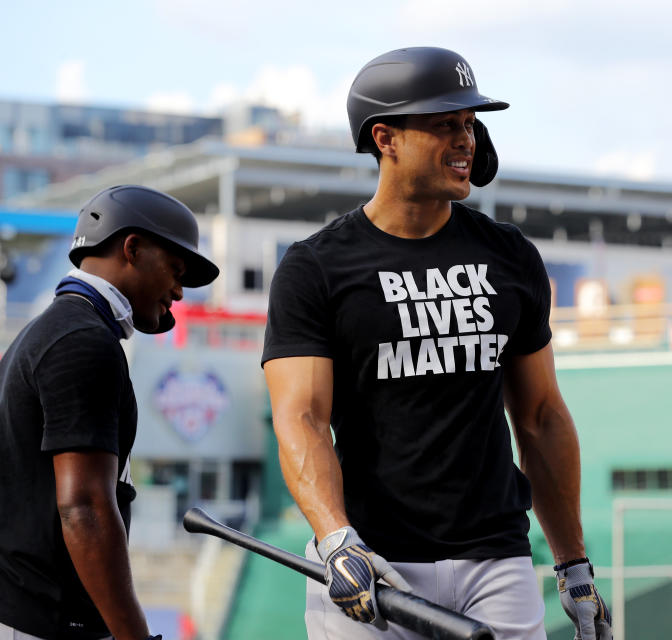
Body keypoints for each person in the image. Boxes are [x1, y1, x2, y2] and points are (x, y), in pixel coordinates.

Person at [262, 47, 611, 639]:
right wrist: (335, 539)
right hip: (370, 567)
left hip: (496, 564)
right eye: (445, 124)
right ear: (385, 138)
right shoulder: (315, 268)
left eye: (470, 124)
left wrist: (573, 566)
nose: (465, 141)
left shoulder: (511, 257)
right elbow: (302, 416)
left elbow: (541, 417)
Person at [0, 185, 219, 640]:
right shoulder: (83, 342)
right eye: (175, 270)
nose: (179, 291)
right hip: (48, 623)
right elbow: (84, 509)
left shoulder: (46, 332)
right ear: (133, 249)